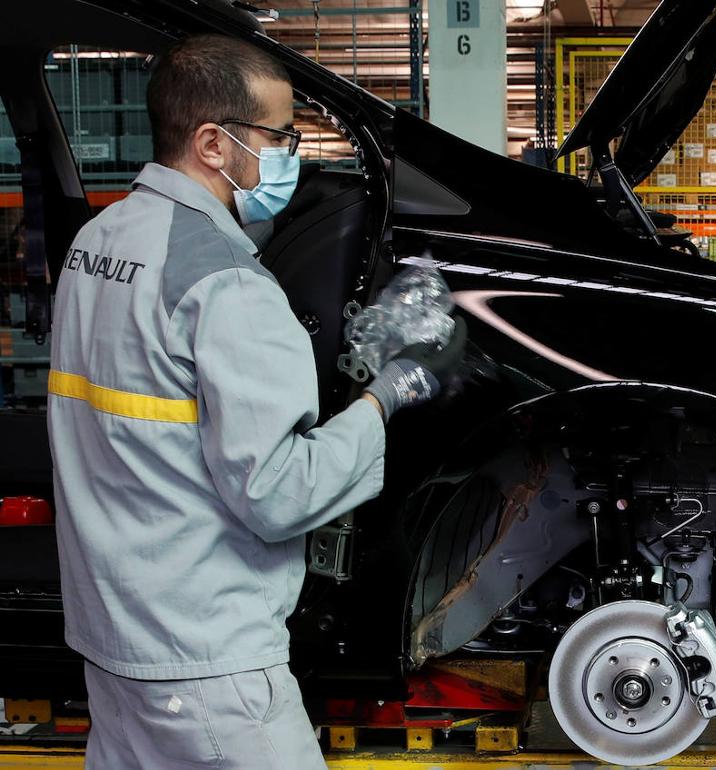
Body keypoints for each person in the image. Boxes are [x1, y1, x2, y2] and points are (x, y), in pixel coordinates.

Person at [48, 34, 462, 769]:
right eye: (279, 135)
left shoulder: (96, 244)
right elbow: (278, 493)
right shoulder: (228, 288)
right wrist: (386, 395)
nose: (292, 154)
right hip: (208, 664)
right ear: (213, 142)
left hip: (116, 645)